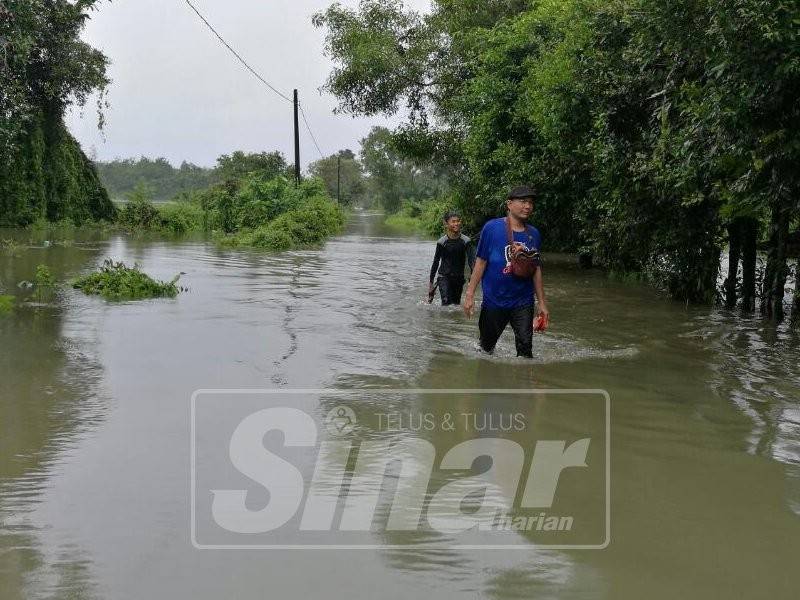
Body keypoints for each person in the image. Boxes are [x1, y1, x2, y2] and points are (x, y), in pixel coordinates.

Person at [463, 186, 549, 357]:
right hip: (494, 300)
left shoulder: (534, 234)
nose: (528, 206)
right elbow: (481, 262)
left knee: (525, 351)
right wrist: (470, 294)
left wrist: (542, 303)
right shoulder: (491, 228)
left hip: (523, 301)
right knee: (486, 350)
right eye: (523, 201)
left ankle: (523, 380)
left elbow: (536, 269)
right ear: (509, 204)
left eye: (531, 203)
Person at [429, 211, 475, 305]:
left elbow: (472, 262)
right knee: (446, 302)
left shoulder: (466, 241)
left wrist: (472, 281)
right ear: (446, 224)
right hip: (443, 276)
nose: (456, 224)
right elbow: (436, 262)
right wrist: (431, 283)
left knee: (455, 304)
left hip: (459, 277)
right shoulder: (442, 242)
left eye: (458, 221)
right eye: (453, 221)